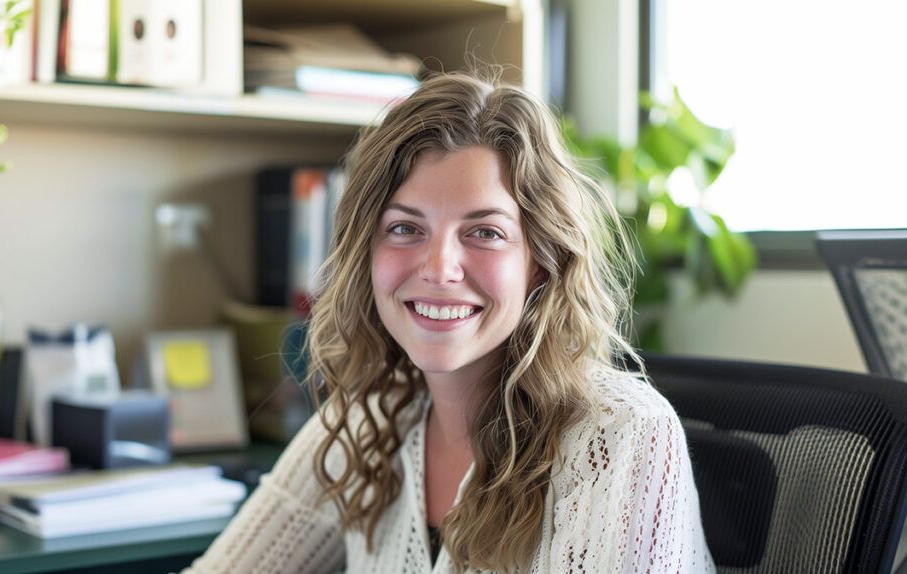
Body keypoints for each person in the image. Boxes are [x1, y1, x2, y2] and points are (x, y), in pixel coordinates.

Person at [182, 72, 715, 573]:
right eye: (404, 228)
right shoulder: (370, 420)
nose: (439, 269)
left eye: (484, 232)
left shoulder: (618, 434)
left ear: (542, 259)